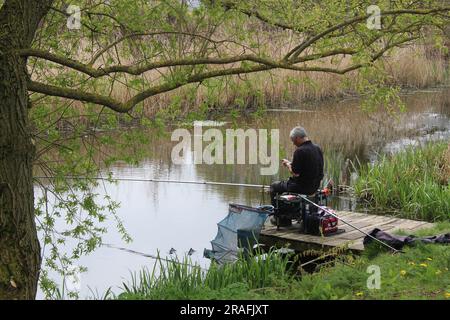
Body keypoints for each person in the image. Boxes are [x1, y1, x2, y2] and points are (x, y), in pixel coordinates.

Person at [270, 126, 324, 206]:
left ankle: (277, 213)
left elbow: (295, 173)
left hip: (302, 187)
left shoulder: (299, 151)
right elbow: (308, 167)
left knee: (274, 186)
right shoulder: (317, 148)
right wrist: (290, 163)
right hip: (315, 186)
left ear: (298, 138)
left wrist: (288, 164)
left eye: (293, 140)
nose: (293, 143)